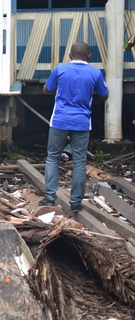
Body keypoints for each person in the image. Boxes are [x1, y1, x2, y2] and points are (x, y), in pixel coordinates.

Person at [41, 41, 108, 212]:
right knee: (79, 162)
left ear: (70, 55)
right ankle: (76, 202)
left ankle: (50, 198)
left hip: (59, 120)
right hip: (82, 122)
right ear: (88, 56)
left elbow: (46, 90)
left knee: (52, 158)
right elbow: (105, 95)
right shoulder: (95, 72)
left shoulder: (61, 69)